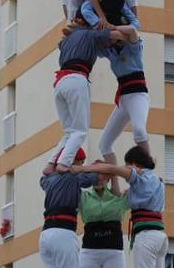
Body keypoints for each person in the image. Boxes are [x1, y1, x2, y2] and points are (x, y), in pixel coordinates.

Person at [71, 146, 167, 268]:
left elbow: (117, 199)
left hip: (113, 251)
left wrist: (113, 175)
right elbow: (92, 211)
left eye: (102, 174)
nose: (98, 178)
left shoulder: (120, 196)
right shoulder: (83, 197)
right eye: (95, 174)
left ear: (107, 176)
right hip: (90, 251)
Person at [43, 24, 126, 175]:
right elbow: (117, 36)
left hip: (60, 82)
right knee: (80, 131)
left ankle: (51, 164)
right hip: (77, 79)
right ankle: (63, 163)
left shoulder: (67, 40)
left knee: (69, 132)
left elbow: (61, 43)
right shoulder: (91, 34)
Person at [39, 152, 99, 268]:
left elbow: (43, 175)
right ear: (74, 162)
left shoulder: (49, 179)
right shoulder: (74, 176)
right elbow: (95, 176)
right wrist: (96, 166)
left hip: (46, 234)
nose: (82, 165)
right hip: (63, 233)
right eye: (80, 162)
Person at [99, 25, 150, 168]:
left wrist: (111, 27)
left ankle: (147, 173)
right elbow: (94, 41)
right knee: (104, 144)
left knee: (139, 130)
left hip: (137, 96)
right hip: (123, 99)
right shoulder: (110, 51)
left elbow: (132, 31)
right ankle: (115, 186)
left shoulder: (133, 48)